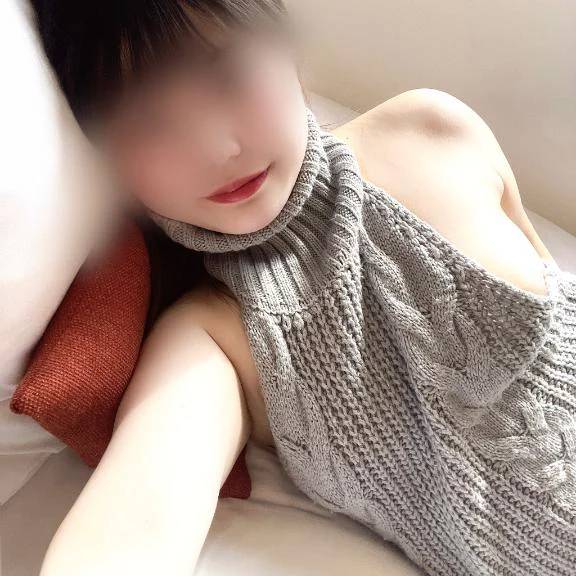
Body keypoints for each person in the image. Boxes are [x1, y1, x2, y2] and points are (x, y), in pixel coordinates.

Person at [30, 1, 576, 575]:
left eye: (227, 73)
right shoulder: (214, 341)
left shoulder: (435, 128)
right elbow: (129, 537)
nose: (217, 149)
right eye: (145, 123)